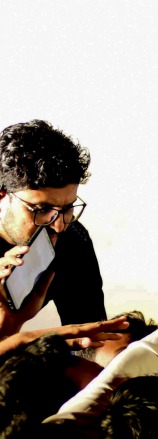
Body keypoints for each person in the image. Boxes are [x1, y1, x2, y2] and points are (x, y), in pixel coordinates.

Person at [0, 120, 106, 326]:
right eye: (42, 210)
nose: (59, 226)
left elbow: (89, 333)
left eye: (68, 208)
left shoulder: (73, 239)